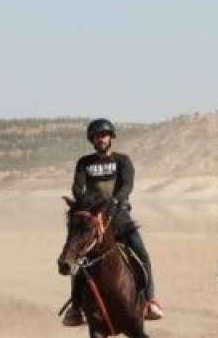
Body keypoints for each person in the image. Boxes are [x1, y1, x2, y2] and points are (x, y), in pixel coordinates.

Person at [63, 119, 163, 326]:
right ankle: (76, 309)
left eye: (105, 135)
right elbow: (77, 189)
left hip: (119, 217)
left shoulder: (122, 161)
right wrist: (92, 207)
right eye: (97, 136)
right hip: (93, 219)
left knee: (141, 252)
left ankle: (150, 301)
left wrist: (113, 203)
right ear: (92, 140)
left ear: (111, 138)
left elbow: (127, 185)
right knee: (78, 256)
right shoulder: (84, 163)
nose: (101, 139)